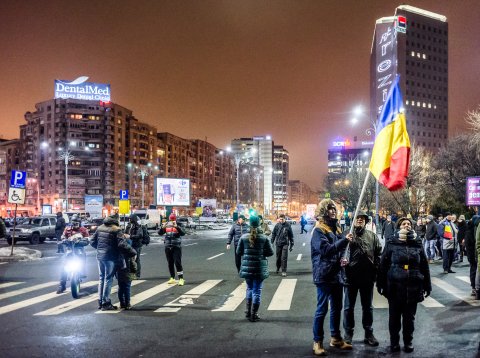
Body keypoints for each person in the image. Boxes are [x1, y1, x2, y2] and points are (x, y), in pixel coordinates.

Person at [377, 217, 431, 353]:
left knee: (409, 319)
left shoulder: (417, 242)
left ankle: (408, 342)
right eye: (403, 224)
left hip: (413, 285)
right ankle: (394, 342)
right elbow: (383, 264)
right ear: (399, 227)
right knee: (394, 318)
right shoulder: (391, 242)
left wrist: (427, 285)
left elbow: (424, 264)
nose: (406, 225)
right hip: (395, 286)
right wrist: (380, 283)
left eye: (409, 224)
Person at [311, 199, 353, 356]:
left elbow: (340, 250)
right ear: (323, 211)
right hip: (324, 275)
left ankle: (335, 338)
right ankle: (317, 341)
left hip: (337, 274)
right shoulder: (319, 231)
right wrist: (343, 241)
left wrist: (344, 257)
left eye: (334, 208)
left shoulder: (336, 229)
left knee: (337, 308)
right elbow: (326, 250)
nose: (333, 211)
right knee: (322, 309)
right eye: (330, 209)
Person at [343, 211, 382, 347]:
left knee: (368, 308)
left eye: (362, 219)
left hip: (367, 277)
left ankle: (368, 333)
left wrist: (375, 269)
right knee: (348, 308)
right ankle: (348, 333)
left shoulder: (372, 236)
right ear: (353, 220)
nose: (359, 220)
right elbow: (338, 253)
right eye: (357, 218)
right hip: (350, 277)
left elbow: (378, 254)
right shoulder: (346, 234)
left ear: (366, 221)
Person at [91, 214, 135, 310]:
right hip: (110, 257)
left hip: (100, 257)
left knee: (102, 278)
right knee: (108, 279)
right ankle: (106, 302)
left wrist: (100, 249)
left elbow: (92, 242)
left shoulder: (100, 228)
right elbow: (122, 244)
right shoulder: (116, 230)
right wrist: (132, 252)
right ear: (116, 221)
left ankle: (100, 301)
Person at [236, 215, 274, 322]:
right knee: (257, 290)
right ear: (259, 224)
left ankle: (248, 311)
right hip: (259, 268)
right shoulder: (264, 238)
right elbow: (270, 252)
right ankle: (254, 314)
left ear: (249, 224)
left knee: (249, 288)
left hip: (247, 268)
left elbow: (238, 252)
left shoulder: (243, 237)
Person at [56, 215, 90, 294]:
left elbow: (88, 239)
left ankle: (82, 272)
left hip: (79, 250)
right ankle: (62, 285)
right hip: (69, 250)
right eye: (74, 223)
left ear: (80, 223)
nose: (75, 225)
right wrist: (64, 240)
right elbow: (63, 236)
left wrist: (82, 241)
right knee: (63, 267)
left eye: (76, 223)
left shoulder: (83, 230)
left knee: (83, 260)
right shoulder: (67, 229)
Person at [159, 213, 186, 285]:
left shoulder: (179, 224)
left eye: (173, 219)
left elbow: (183, 233)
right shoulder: (167, 224)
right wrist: (163, 227)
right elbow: (160, 233)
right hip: (168, 246)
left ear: (175, 219)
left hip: (176, 246)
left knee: (177, 263)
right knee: (170, 263)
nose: (172, 221)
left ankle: (181, 278)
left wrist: (177, 227)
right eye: (171, 219)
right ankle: (172, 277)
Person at [116, 237, 138, 310]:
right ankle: (127, 303)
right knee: (127, 286)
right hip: (129, 270)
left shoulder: (118, 251)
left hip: (119, 270)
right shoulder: (130, 252)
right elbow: (134, 261)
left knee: (121, 287)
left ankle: (122, 303)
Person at [125, 214, 144, 279]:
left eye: (130, 219)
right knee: (130, 260)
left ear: (133, 219)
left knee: (137, 260)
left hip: (136, 245)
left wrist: (130, 236)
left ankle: (137, 275)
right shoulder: (128, 225)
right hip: (129, 245)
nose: (129, 220)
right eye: (129, 218)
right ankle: (132, 274)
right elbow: (126, 233)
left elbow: (140, 235)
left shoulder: (138, 226)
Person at [465, 215, 479, 297]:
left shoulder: (473, 229)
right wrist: (472, 257)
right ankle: (474, 288)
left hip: (474, 255)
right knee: (474, 270)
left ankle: (474, 287)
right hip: (473, 255)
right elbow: (469, 245)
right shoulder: (470, 231)